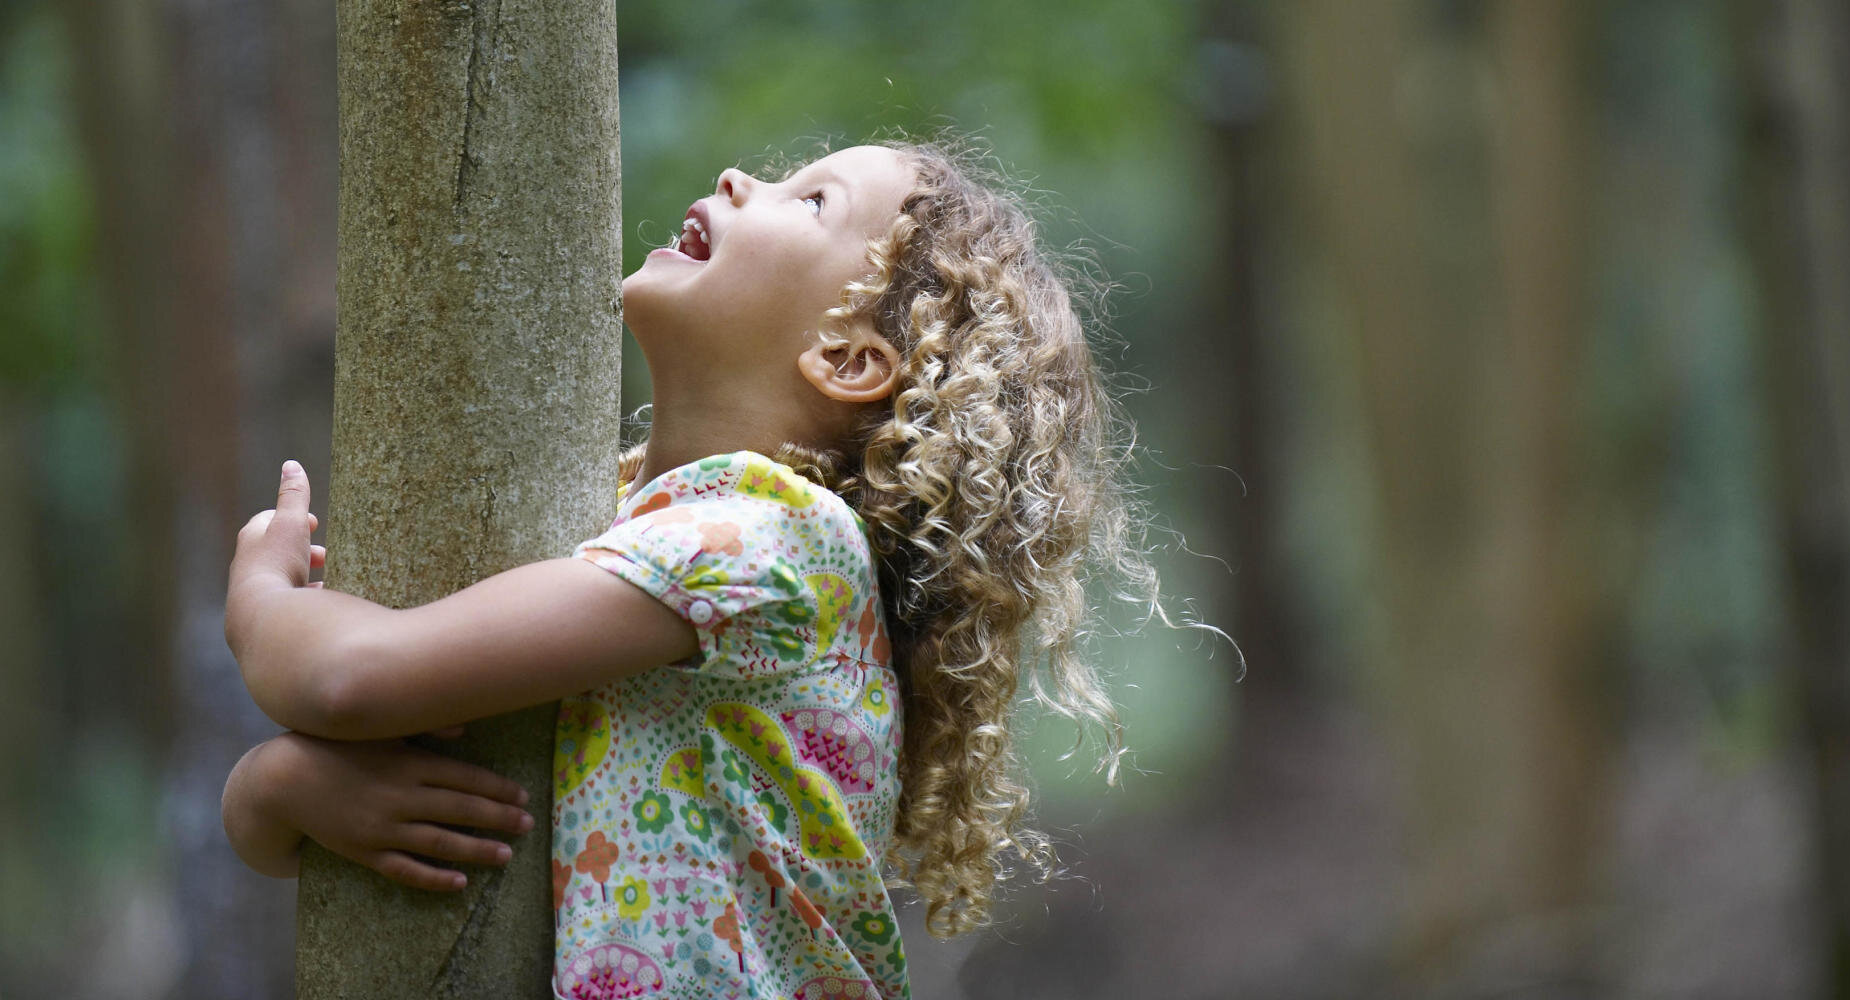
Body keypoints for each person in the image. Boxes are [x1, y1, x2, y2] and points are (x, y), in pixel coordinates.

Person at [221, 139, 1184, 999]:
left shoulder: (771, 544)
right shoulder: (631, 535)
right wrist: (271, 794)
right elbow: (405, 829)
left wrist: (262, 599)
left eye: (812, 202)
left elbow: (348, 680)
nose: (736, 177)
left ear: (848, 358)